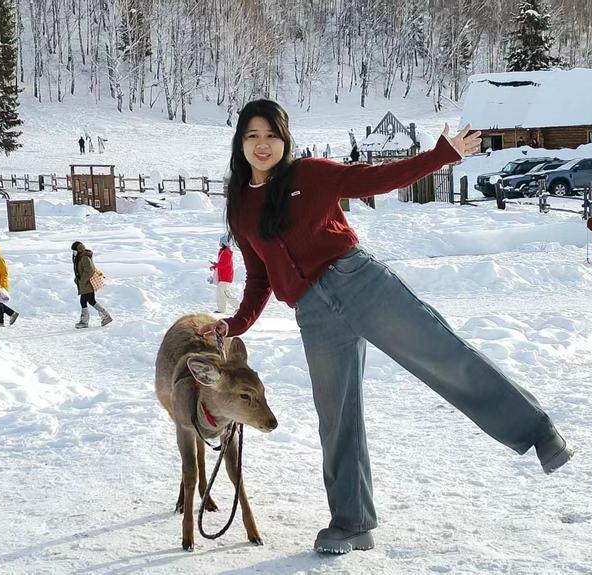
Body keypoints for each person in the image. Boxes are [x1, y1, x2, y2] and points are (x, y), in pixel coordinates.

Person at [197, 99, 572, 555]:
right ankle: (352, 523)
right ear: (239, 142)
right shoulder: (240, 207)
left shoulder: (310, 174)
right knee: (337, 417)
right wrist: (235, 323)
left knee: (442, 353)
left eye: (271, 135)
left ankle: (539, 432)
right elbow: (259, 277)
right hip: (313, 314)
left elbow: (375, 179)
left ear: (285, 139)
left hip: (359, 282)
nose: (263, 144)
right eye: (253, 135)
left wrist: (442, 155)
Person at [73, 241, 113, 328]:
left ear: (79, 249)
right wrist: (77, 279)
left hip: (88, 283)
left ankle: (84, 322)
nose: (73, 252)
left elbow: (90, 271)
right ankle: (105, 316)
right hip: (85, 283)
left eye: (74, 250)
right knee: (91, 301)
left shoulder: (84, 258)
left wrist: (82, 280)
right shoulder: (80, 257)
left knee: (84, 301)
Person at [210, 235, 240, 314]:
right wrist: (214, 266)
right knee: (221, 293)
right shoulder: (223, 251)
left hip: (226, 277)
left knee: (225, 293)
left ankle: (238, 306)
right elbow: (221, 264)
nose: (219, 243)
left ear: (223, 243)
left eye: (221, 241)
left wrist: (215, 264)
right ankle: (221, 309)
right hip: (222, 277)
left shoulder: (227, 252)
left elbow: (224, 264)